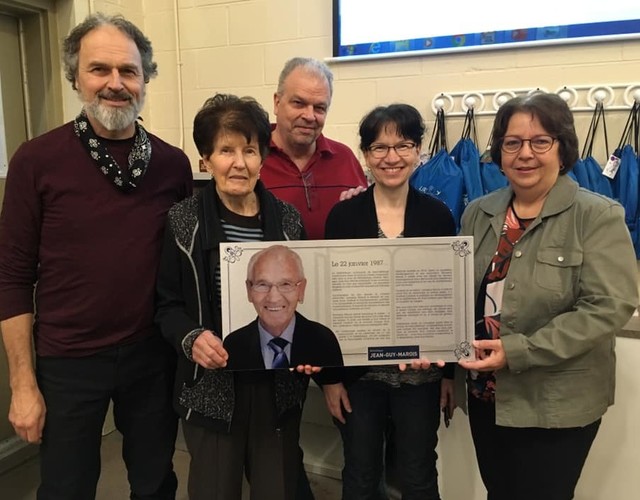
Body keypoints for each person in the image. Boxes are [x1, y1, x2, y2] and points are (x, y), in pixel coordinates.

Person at [0, 13, 192, 500]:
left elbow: (187, 266)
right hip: (67, 360)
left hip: (152, 355)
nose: (115, 84)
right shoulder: (36, 160)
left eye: (128, 71)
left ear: (145, 78)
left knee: (155, 482)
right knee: (66, 487)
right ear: (76, 77)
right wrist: (22, 384)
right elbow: (12, 277)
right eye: (99, 69)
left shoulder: (172, 165)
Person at [458, 92, 638, 500]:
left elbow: (608, 306)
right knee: (500, 493)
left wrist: (520, 350)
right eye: (512, 142)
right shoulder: (479, 214)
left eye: (540, 141)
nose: (525, 154)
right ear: (500, 152)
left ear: (563, 147)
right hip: (487, 394)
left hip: (555, 402)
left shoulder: (597, 215)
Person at [155, 94, 317, 500]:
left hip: (276, 388)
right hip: (210, 388)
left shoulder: (289, 222)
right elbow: (166, 304)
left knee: (276, 489)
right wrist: (193, 340)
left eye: (249, 150)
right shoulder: (183, 220)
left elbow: (309, 305)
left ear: (264, 156)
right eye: (225, 150)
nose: (239, 163)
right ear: (205, 159)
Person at [322, 104, 456, 500]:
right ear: (365, 154)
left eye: (404, 145)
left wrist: (450, 373)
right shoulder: (343, 217)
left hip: (421, 376)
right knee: (361, 474)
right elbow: (332, 303)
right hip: (359, 378)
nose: (392, 157)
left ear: (419, 152)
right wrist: (330, 379)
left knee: (417, 475)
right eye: (379, 147)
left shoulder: (438, 217)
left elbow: (445, 301)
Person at [260, 57, 368, 240]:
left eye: (319, 107)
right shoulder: (252, 161)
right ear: (277, 103)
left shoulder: (345, 159)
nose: (310, 116)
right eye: (299, 103)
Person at [224, 244, 344, 371]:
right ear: (249, 290)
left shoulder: (323, 340)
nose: (274, 298)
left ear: (301, 289)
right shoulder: (233, 345)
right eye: (263, 284)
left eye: (286, 284)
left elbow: (334, 389)